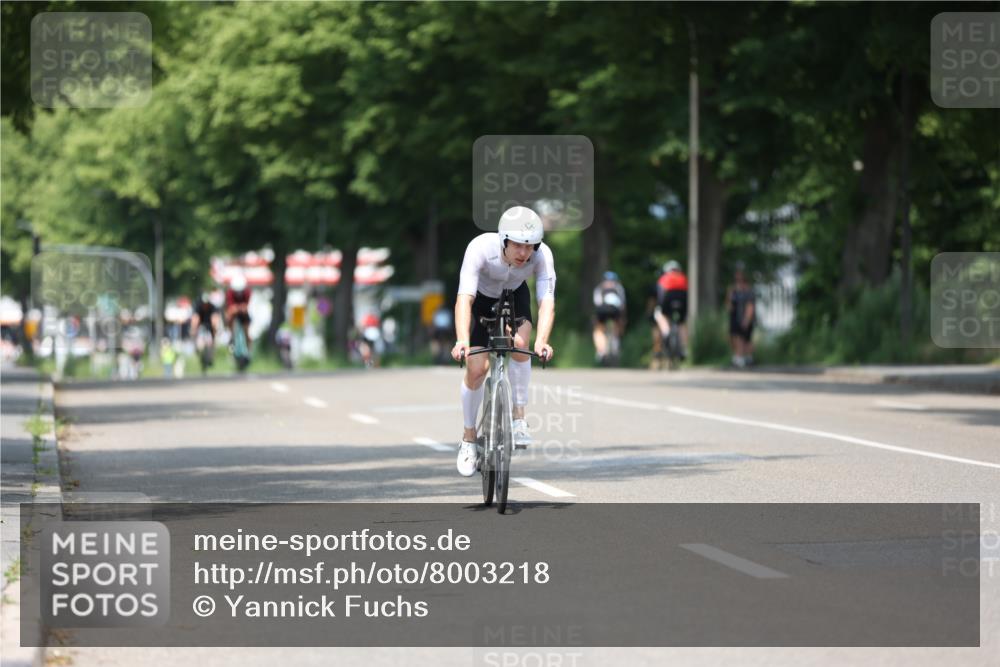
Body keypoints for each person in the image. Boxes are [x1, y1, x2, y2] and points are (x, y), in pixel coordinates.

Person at [451, 206, 556, 477]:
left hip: (514, 295)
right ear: (504, 240)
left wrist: (542, 341)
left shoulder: (542, 255)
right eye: (518, 245)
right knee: (477, 369)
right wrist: (462, 340)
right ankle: (469, 438)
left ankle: (519, 418)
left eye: (530, 246)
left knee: (521, 344)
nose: (524, 253)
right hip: (481, 299)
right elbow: (464, 299)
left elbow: (546, 302)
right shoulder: (480, 248)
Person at [654, 260, 689, 359]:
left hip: (668, 296)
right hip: (682, 297)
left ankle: (666, 332)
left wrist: (660, 306)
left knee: (661, 315)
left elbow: (660, 294)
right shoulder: (683, 277)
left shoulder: (664, 278)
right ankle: (684, 348)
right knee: (682, 323)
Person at [592, 271, 626, 364]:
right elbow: (622, 305)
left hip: (602, 309)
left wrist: (596, 319)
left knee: (598, 330)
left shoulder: (599, 288)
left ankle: (601, 351)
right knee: (617, 327)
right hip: (615, 310)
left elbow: (597, 304)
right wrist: (622, 318)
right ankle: (615, 346)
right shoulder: (619, 288)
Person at [726, 266, 755, 368]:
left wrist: (747, 319)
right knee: (734, 338)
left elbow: (750, 306)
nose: (738, 281)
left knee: (745, 339)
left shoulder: (748, 291)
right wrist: (729, 297)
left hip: (745, 317)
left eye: (740, 279)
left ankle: (744, 358)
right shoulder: (733, 291)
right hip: (734, 318)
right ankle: (739, 357)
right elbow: (729, 306)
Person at [224, 274, 252, 352]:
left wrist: (238, 308)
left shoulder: (247, 292)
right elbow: (231, 308)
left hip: (244, 314)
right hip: (234, 314)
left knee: (247, 331)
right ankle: (231, 336)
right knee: (229, 317)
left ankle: (248, 348)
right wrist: (239, 308)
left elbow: (246, 307)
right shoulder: (229, 293)